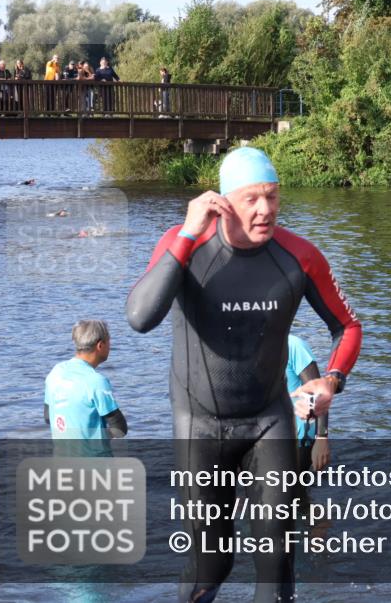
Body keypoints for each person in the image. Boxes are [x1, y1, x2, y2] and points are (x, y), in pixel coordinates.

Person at [125, 147, 361, 603]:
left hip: (268, 420)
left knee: (277, 561)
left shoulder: (299, 256)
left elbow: (348, 326)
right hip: (199, 426)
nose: (265, 209)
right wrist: (187, 234)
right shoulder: (186, 243)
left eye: (272, 196)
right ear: (223, 202)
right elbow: (140, 317)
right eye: (252, 199)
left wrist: (331, 380)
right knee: (212, 564)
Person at [44, 320, 128, 457]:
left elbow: (48, 418)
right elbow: (119, 428)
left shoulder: (55, 372)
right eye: (109, 341)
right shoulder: (96, 381)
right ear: (100, 345)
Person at [286, 335, 331, 475]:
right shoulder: (252, 348)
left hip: (300, 437)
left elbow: (320, 393)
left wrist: (322, 438)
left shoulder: (294, 345)